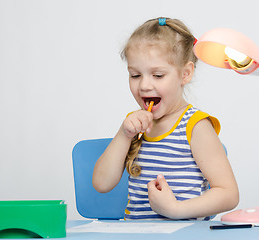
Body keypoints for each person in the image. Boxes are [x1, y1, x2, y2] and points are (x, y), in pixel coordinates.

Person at [92, 17, 239, 220]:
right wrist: (123, 135)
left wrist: (176, 210)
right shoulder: (134, 125)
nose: (144, 85)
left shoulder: (195, 126)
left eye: (158, 75)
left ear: (185, 74)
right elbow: (101, 184)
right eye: (135, 75)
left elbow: (229, 194)